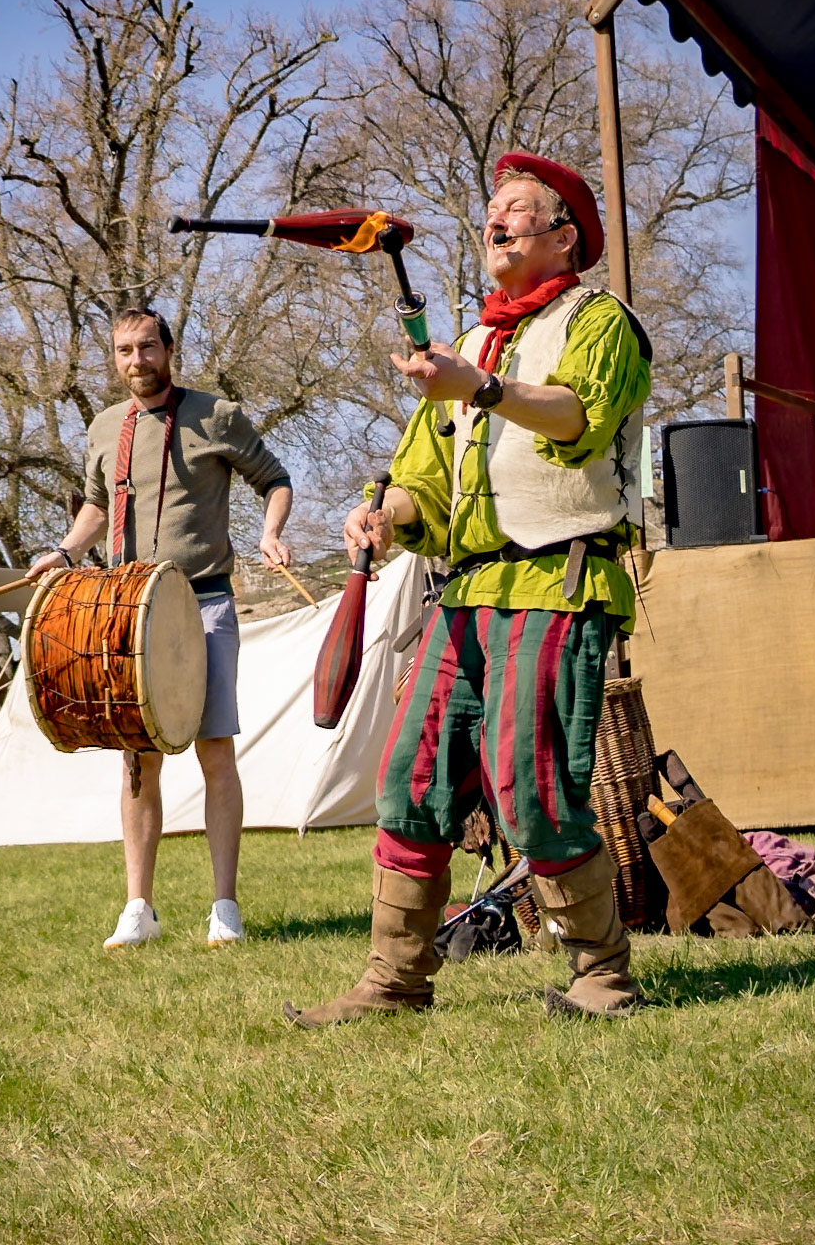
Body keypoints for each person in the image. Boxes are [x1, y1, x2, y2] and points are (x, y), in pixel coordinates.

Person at [285, 151, 653, 1027]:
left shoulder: (599, 321)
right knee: (412, 779)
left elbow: (575, 416)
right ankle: (393, 983)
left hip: (558, 581)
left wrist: (481, 389)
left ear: (563, 238)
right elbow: (425, 485)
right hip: (466, 593)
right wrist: (385, 514)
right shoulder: (472, 347)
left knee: (531, 783)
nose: (498, 218)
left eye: (519, 208)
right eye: (492, 208)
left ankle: (602, 975)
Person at [27, 307, 293, 950]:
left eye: (148, 346)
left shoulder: (217, 414)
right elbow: (96, 505)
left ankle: (223, 907)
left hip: (203, 602)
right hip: (123, 608)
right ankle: (138, 908)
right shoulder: (101, 427)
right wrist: (64, 554)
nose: (136, 360)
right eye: (124, 350)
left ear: (169, 350)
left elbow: (275, 479)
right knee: (136, 760)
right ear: (113, 359)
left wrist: (270, 531)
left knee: (214, 750)